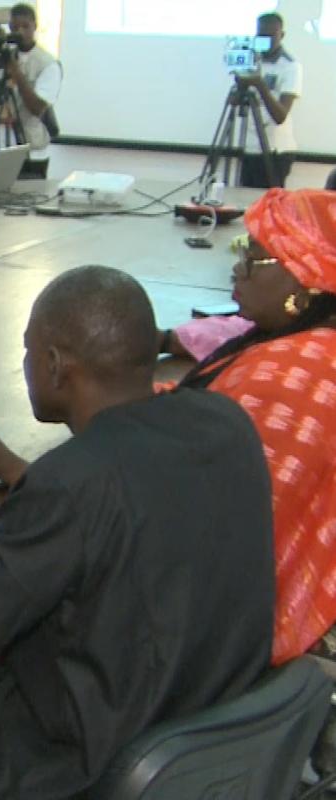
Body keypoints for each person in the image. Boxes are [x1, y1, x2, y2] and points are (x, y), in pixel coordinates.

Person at [0, 265, 274, 799]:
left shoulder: (73, 483)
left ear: (54, 365)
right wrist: (8, 465)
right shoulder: (225, 421)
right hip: (191, 731)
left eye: (27, 352)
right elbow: (126, 500)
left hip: (73, 761)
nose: (25, 365)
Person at [178, 189, 336, 664]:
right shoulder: (302, 337)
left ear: (301, 275)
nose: (237, 268)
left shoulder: (291, 375)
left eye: (252, 257)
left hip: (243, 641)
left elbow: (172, 521)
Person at [0, 3, 63, 179]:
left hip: (32, 149)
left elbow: (37, 107)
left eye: (26, 27)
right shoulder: (5, 53)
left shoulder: (47, 64)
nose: (21, 32)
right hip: (3, 146)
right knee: (1, 197)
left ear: (35, 26)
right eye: (15, 27)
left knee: (27, 199)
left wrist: (15, 70)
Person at [236, 13, 302, 188]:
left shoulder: (290, 66)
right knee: (246, 202)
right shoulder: (252, 60)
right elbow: (236, 104)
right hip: (250, 147)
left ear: (281, 35)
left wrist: (260, 84)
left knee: (268, 205)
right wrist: (240, 83)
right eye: (260, 36)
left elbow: (280, 116)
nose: (264, 41)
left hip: (275, 150)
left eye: (270, 36)